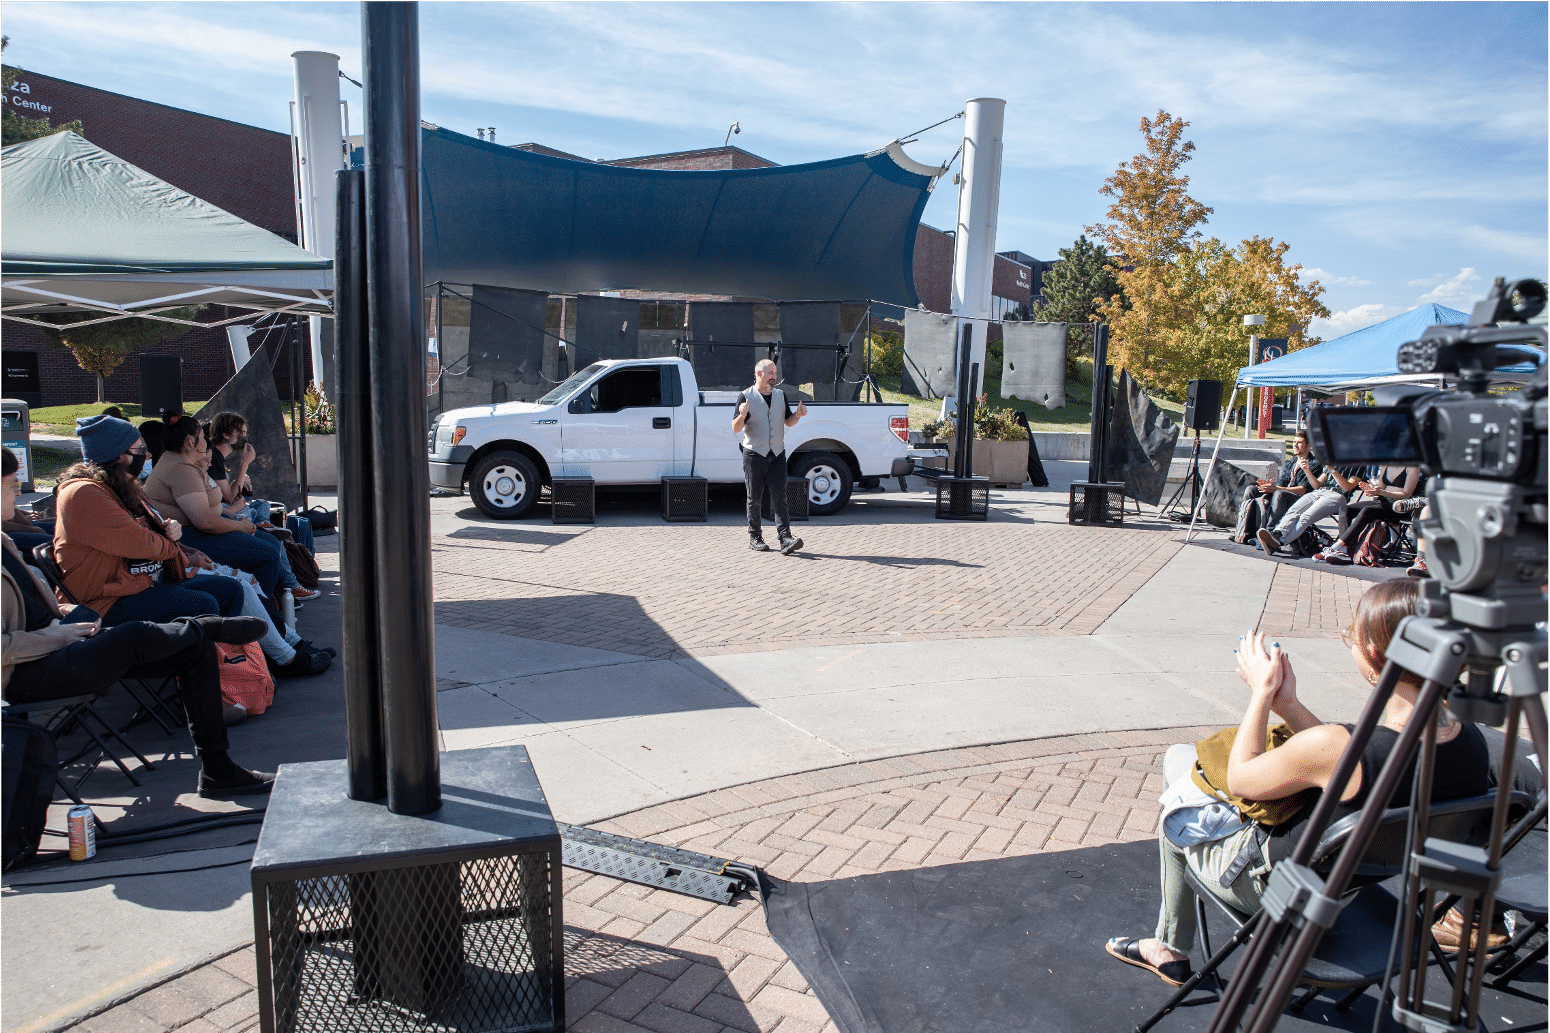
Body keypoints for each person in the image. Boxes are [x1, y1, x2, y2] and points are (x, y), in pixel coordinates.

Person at [1104, 578, 1491, 987]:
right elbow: (1341, 762)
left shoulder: (1346, 748)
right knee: (1190, 777)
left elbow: (1242, 779)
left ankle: (1168, 948)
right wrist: (1287, 704)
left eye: (1353, 638)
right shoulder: (1471, 744)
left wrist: (1261, 692)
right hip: (1352, 886)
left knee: (1179, 793)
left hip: (1277, 890)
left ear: (1375, 654)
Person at [2, 447, 274, 797]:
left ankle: (218, 772)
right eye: (12, 482)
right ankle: (202, 625)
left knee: (196, 651)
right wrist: (57, 636)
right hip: (25, 672)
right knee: (135, 634)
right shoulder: (80, 496)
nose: (19, 488)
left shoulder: (4, 541)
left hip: (59, 642)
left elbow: (42, 606)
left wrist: (69, 619)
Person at [55, 415, 248, 625]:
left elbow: (153, 531)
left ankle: (232, 656)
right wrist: (179, 550)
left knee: (231, 590)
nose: (147, 454)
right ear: (118, 456)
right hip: (104, 602)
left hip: (138, 583)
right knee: (204, 605)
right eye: (139, 450)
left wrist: (180, 543)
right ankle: (215, 656)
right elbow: (142, 543)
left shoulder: (122, 488)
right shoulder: (83, 494)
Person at [141, 414, 286, 602]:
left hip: (201, 529)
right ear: (191, 442)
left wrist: (233, 517)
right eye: (202, 436)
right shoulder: (180, 469)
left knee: (272, 543)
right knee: (268, 556)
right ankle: (259, 613)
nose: (206, 440)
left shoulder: (185, 463)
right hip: (190, 536)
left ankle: (271, 606)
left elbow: (211, 506)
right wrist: (240, 526)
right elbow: (205, 522)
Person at [731, 359, 808, 554]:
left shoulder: (781, 396)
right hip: (754, 454)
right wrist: (742, 415)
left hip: (777, 454)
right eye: (770, 373)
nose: (774, 376)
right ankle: (755, 537)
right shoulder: (745, 396)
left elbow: (788, 422)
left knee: (780, 496)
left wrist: (797, 415)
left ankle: (785, 538)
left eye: (775, 372)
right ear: (759, 374)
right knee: (754, 497)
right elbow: (736, 428)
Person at [1315, 464, 1422, 564]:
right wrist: (1372, 490)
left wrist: (1381, 492)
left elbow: (1406, 494)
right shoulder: (1386, 464)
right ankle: (1344, 550)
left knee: (1367, 510)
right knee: (1345, 509)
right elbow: (1380, 488)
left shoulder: (1412, 467)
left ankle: (1336, 547)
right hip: (1382, 501)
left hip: (1399, 506)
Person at [1256, 464, 1365, 558]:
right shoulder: (1333, 462)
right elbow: (1317, 484)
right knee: (1294, 510)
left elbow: (1347, 487)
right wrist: (1307, 470)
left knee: (1306, 517)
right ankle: (1277, 533)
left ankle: (1280, 542)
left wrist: (1333, 470)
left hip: (1337, 496)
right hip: (1319, 492)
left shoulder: (1358, 465)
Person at [1248, 430, 1323, 535]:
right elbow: (1281, 483)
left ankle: (1270, 533)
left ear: (1309, 445)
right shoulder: (1291, 462)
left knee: (1279, 494)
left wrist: (1277, 489)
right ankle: (1247, 531)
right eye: (1294, 442)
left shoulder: (1314, 464)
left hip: (1300, 499)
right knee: (1251, 490)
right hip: (1282, 493)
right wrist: (1270, 487)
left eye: (1299, 442)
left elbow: (1302, 490)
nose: (1295, 445)